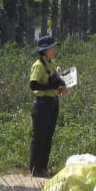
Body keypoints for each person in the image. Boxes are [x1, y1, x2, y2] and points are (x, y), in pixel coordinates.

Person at [28, 34, 68, 178]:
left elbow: (54, 80)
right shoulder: (38, 65)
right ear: (45, 50)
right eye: (52, 47)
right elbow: (33, 85)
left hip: (52, 102)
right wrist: (49, 86)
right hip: (42, 104)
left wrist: (60, 85)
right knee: (39, 137)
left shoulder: (51, 63)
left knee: (48, 136)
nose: (55, 49)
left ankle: (43, 167)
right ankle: (35, 168)